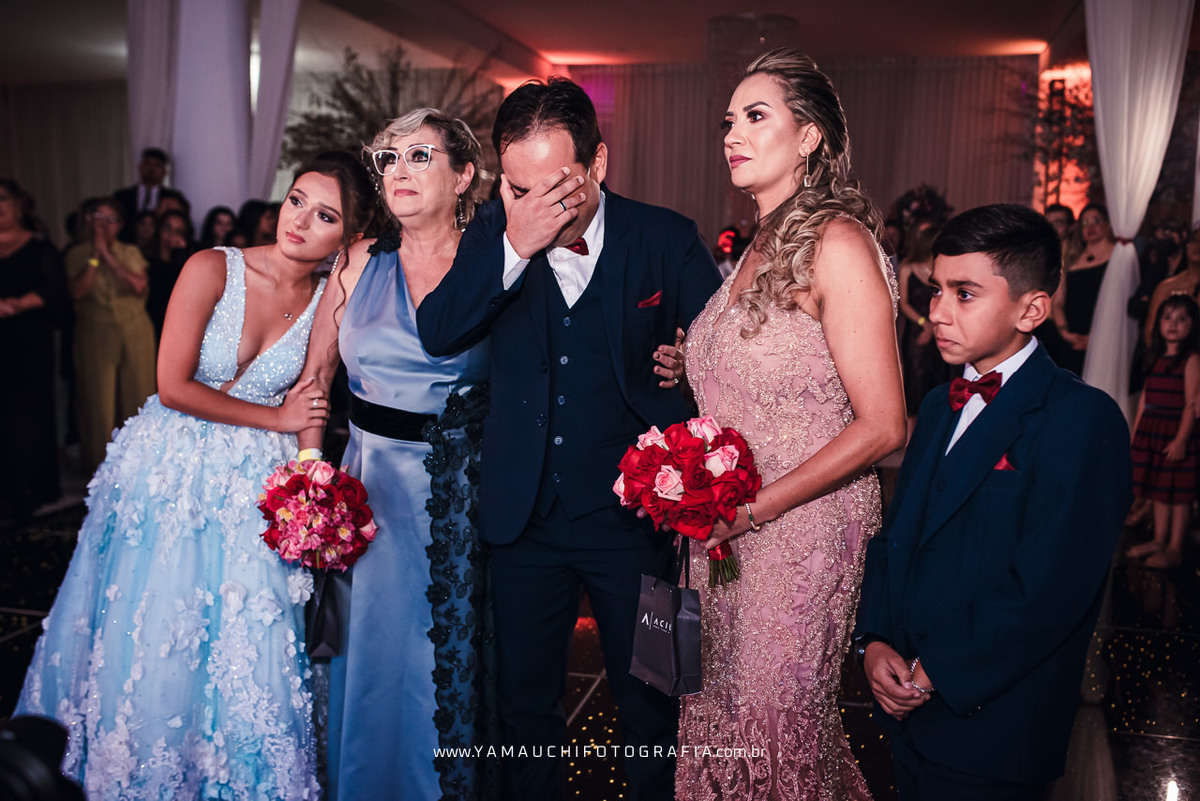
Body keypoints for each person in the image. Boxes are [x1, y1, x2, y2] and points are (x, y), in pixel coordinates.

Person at [15, 151, 376, 799]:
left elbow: (313, 395)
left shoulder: (333, 294)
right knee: (157, 619)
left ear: (345, 239)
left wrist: (311, 480)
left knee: (250, 625)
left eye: (325, 217)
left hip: (258, 481)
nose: (299, 221)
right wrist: (278, 420)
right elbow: (172, 385)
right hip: (170, 469)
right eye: (297, 200)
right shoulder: (212, 266)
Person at [417, 77, 721, 800]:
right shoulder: (493, 233)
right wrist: (512, 249)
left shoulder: (664, 236)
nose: (536, 205)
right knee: (526, 706)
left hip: (637, 523)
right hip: (524, 521)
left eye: (555, 186)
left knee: (651, 701)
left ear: (600, 163)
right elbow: (439, 332)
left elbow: (728, 355)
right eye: (517, 188)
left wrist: (691, 364)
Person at [676, 48, 906, 799]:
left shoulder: (837, 243)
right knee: (718, 713)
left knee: (776, 726)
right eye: (727, 120)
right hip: (724, 530)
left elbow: (884, 426)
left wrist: (757, 507)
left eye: (755, 116)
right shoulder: (752, 248)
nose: (731, 134)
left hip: (799, 529)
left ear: (808, 137)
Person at [855, 203, 1131, 800]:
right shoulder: (936, 405)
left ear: (1031, 308)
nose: (939, 311)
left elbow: (1049, 588)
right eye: (936, 289)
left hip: (995, 723)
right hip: (909, 705)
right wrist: (875, 638)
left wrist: (937, 671)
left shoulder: (1081, 420)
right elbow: (897, 534)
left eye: (966, 293)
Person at [294, 109, 493, 800]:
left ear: (464, 174)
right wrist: (310, 475)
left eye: (417, 156)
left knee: (439, 657)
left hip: (457, 499)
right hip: (364, 491)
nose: (398, 172)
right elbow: (315, 381)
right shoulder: (355, 260)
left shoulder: (493, 261)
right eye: (388, 160)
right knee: (370, 658)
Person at [64, 197, 157, 473]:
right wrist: (95, 255)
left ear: (119, 225)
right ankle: (100, 470)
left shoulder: (130, 251)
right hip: (94, 333)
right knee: (97, 402)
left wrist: (108, 255)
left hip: (134, 330)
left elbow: (138, 286)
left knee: (138, 396)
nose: (103, 225)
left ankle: (141, 467)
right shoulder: (76, 253)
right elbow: (77, 292)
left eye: (110, 219)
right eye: (97, 217)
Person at [0, 178, 67, 522]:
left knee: (29, 414)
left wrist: (17, 304)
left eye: (2, 199)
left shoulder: (38, 245)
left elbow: (55, 286)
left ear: (18, 203)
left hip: (29, 339)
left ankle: (30, 489)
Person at [1127, 293, 1199, 569]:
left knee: (1178, 494)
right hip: (1152, 431)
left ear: (1193, 325)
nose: (1173, 324)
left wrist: (1181, 439)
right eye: (1168, 318)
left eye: (1182, 319)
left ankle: (1175, 547)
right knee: (1157, 489)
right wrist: (1136, 434)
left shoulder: (1191, 360)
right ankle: (1158, 539)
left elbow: (1191, 403)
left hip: (1175, 432)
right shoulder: (1156, 357)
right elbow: (1146, 398)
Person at [898, 219, 952, 422]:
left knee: (939, 378)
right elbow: (904, 303)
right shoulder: (907, 268)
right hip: (916, 331)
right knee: (916, 382)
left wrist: (934, 326)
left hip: (940, 328)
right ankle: (912, 441)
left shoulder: (942, 267)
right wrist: (924, 324)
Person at [1051, 202, 1113, 375]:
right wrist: (1065, 332)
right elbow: (1058, 302)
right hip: (1071, 338)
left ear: (1107, 224)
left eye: (1095, 220)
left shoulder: (1118, 256)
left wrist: (1095, 337)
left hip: (1105, 336)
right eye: (1085, 223)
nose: (1090, 227)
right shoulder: (1073, 257)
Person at [113, 147, 188, 243]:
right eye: (147, 163)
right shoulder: (122, 196)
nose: (151, 169)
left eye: (157, 165)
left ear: (164, 171)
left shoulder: (174, 198)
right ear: (140, 166)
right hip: (126, 246)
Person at [146, 209, 197, 340]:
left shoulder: (186, 264)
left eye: (178, 231)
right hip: (148, 326)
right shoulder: (144, 260)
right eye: (167, 228)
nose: (171, 236)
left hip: (175, 329)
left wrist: (181, 252)